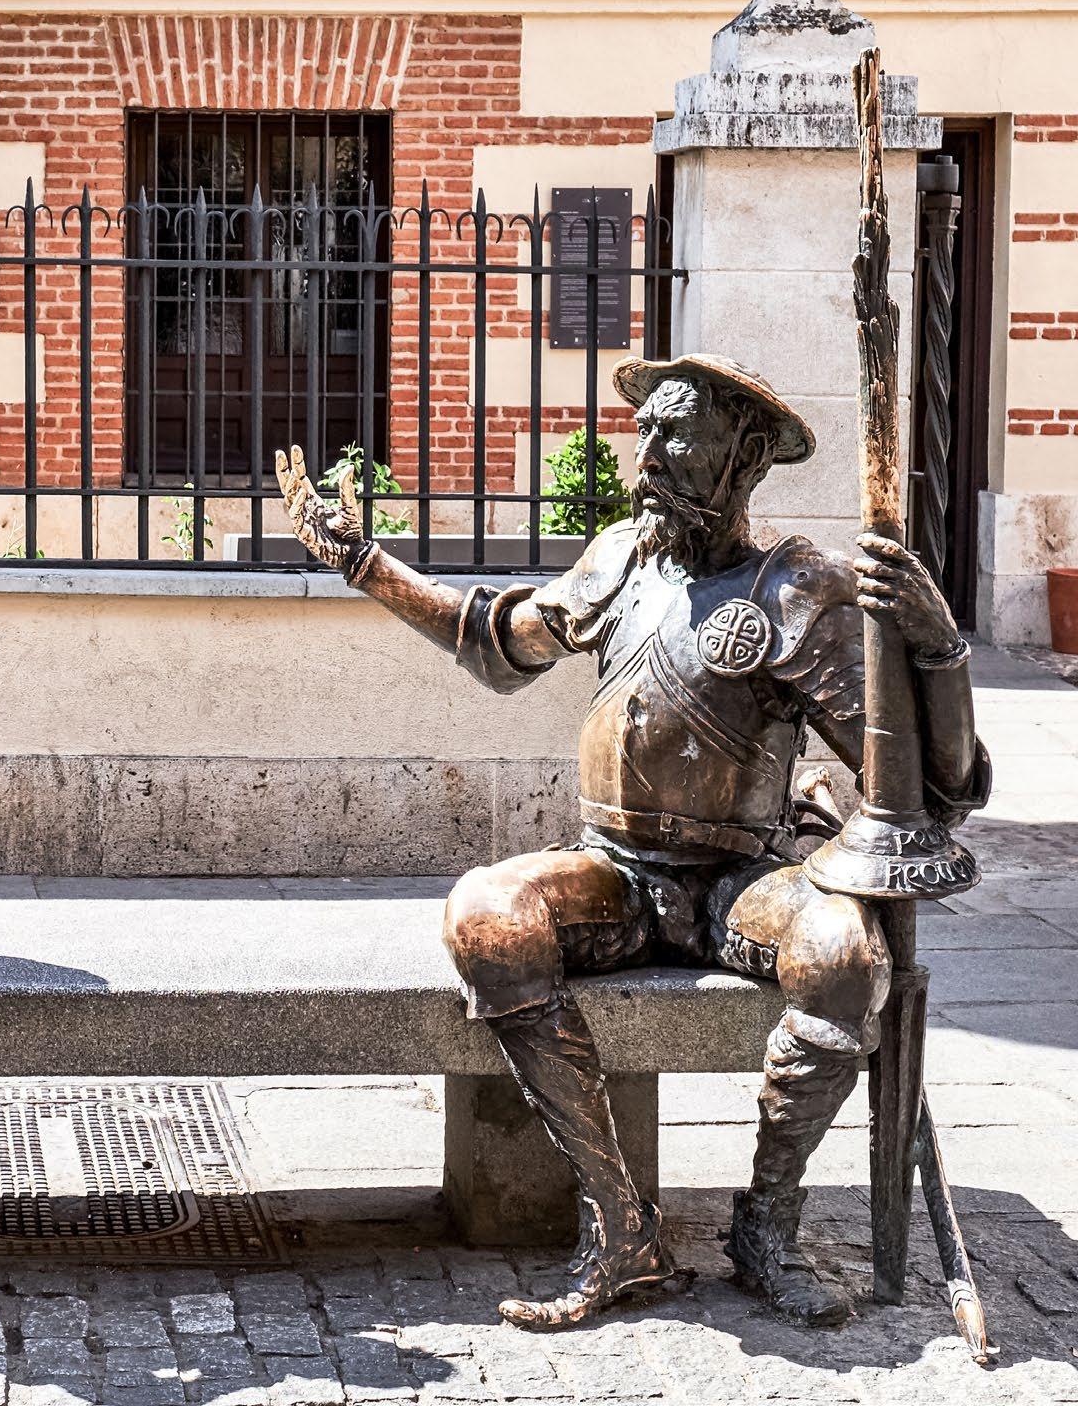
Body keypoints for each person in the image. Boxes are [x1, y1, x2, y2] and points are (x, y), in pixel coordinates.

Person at [276, 354, 986, 1329]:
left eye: (674, 436)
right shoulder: (617, 561)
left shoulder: (796, 591)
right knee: (487, 913)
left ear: (743, 455)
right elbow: (495, 642)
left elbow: (930, 785)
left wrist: (937, 648)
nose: (644, 456)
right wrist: (365, 563)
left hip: (739, 881)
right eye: (643, 433)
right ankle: (621, 1228)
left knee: (841, 953)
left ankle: (766, 1224)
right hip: (613, 872)